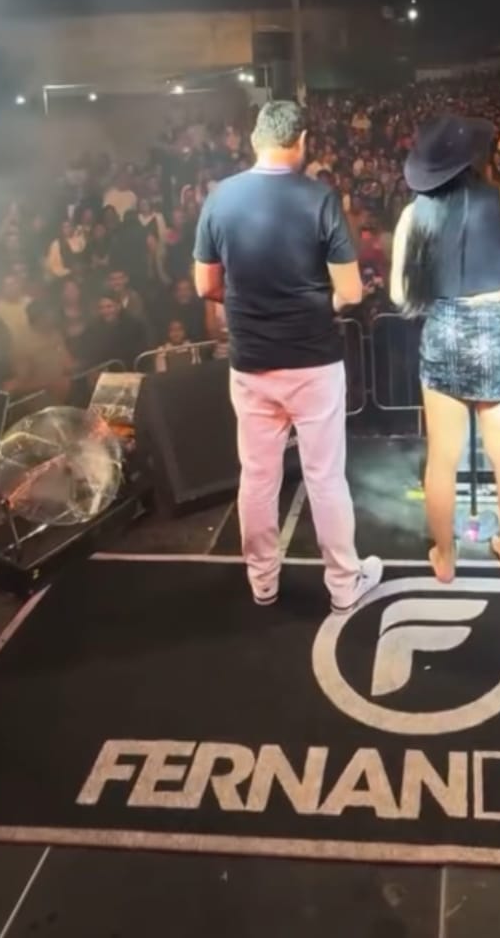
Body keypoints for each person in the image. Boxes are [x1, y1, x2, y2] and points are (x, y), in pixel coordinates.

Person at [194, 100, 382, 613]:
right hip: (313, 361)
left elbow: (205, 285)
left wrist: (251, 303)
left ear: (255, 140)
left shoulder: (220, 197)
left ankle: (262, 581)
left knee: (257, 477)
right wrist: (313, 304)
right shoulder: (319, 198)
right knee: (325, 477)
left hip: (251, 362)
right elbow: (351, 291)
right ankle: (343, 584)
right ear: (300, 142)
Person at [390, 113, 500, 582]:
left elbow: (398, 295)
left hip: (444, 328)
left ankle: (446, 558)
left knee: (442, 459)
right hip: (496, 326)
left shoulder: (414, 213)